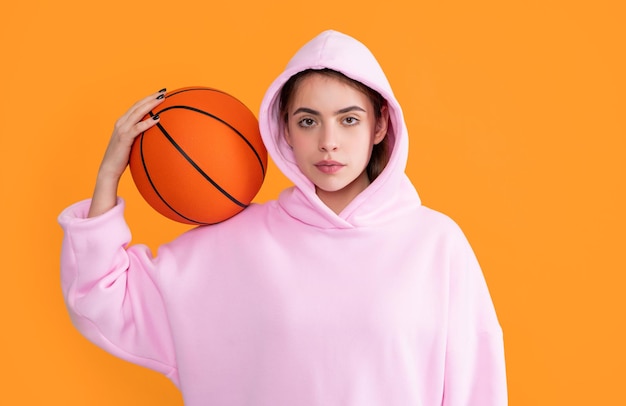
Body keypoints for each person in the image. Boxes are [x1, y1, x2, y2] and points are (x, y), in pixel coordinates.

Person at [59, 30, 508, 405]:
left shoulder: (435, 243)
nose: (329, 142)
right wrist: (109, 173)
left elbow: (477, 389)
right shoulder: (235, 243)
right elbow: (101, 295)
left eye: (349, 120)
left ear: (380, 126)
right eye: (308, 121)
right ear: (284, 131)